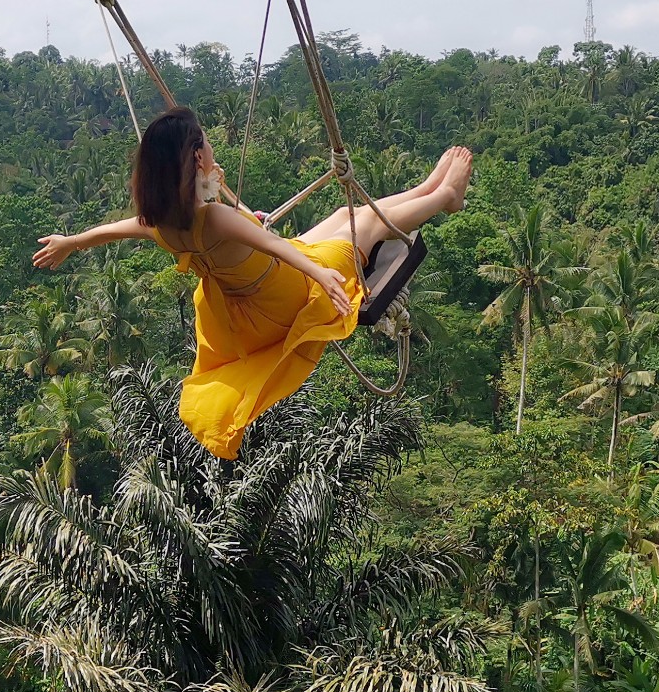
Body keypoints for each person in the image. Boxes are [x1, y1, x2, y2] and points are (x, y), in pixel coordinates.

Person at [34, 106, 471, 459]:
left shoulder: (162, 224)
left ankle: (427, 188)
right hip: (289, 287)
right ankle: (442, 198)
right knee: (357, 233)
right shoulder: (216, 218)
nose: (209, 144)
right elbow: (276, 246)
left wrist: (71, 242)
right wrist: (323, 275)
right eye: (204, 141)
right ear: (196, 158)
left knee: (342, 217)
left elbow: (113, 229)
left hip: (249, 308)